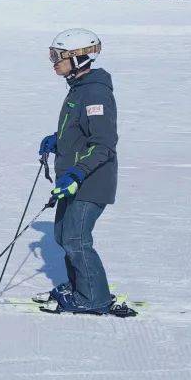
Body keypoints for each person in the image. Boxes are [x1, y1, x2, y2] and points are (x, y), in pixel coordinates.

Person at [37, 28, 120, 315]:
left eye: (58, 56)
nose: (54, 62)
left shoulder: (95, 93)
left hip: (91, 180)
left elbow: (103, 144)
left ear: (79, 58)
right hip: (74, 177)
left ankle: (94, 298)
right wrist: (58, 141)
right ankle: (78, 287)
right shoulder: (80, 89)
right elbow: (81, 133)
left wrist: (77, 174)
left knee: (76, 239)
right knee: (62, 235)